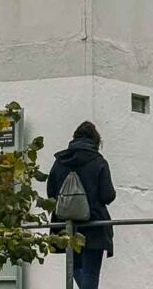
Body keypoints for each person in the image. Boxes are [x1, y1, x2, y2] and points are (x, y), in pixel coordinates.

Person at [47, 121, 116, 289]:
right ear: (95, 140)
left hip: (67, 225)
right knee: (90, 272)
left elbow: (51, 193)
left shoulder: (60, 161)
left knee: (76, 268)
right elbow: (107, 195)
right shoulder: (98, 161)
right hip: (94, 225)